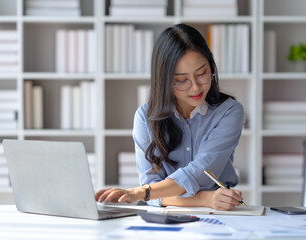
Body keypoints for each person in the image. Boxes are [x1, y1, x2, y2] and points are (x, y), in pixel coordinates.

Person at [95, 23, 245, 211]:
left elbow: (199, 172)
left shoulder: (229, 111)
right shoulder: (145, 117)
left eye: (202, 73)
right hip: (169, 216)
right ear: (164, 80)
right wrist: (206, 199)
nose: (196, 87)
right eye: (181, 80)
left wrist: (142, 192)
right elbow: (153, 191)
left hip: (220, 213)